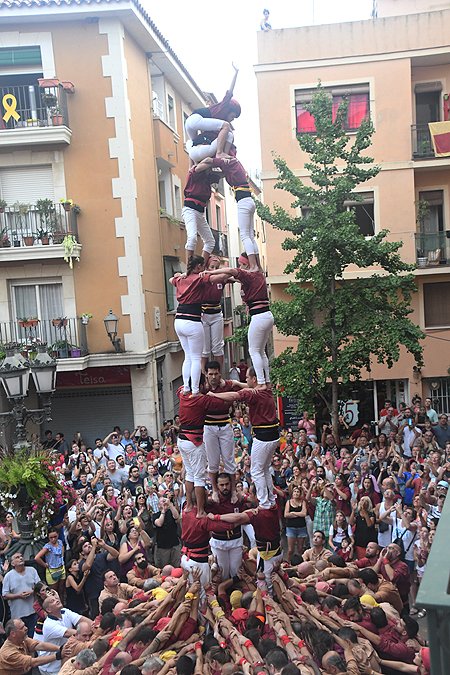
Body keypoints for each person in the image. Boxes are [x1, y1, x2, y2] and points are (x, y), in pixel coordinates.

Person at [208, 366, 279, 509]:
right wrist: (238, 384)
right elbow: (246, 387)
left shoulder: (254, 394)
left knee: (256, 471)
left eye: (247, 377)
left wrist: (214, 395)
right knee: (264, 469)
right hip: (273, 435)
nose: (245, 380)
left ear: (254, 379)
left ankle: (264, 502)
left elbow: (234, 396)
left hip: (263, 436)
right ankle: (270, 498)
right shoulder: (266, 388)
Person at [204, 254, 273, 384]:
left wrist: (208, 271)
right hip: (267, 315)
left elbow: (230, 271)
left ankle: (262, 382)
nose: (239, 266)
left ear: (247, 265)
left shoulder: (248, 275)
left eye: (241, 264)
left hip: (259, 317)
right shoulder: (259, 275)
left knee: (253, 351)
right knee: (261, 351)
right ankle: (267, 380)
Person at [196, 156, 259, 270]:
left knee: (245, 235)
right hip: (249, 201)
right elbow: (221, 172)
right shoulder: (237, 164)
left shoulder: (229, 162)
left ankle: (253, 265)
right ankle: (257, 266)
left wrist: (198, 163)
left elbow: (210, 160)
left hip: (243, 202)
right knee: (250, 235)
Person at [170, 255, 219, 395]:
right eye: (202, 266)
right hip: (192, 321)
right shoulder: (199, 278)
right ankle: (196, 390)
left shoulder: (180, 279)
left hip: (178, 321)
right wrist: (212, 273)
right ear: (198, 266)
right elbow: (217, 279)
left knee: (188, 356)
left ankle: (186, 387)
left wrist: (179, 275)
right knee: (196, 358)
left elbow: (171, 279)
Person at [203, 360, 247, 501]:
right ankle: (215, 490)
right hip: (209, 426)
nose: (214, 377)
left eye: (216, 373)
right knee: (213, 462)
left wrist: (239, 383)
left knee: (229, 461)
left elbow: (247, 387)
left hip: (225, 425)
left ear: (220, 373)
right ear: (206, 374)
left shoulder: (227, 385)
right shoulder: (202, 387)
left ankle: (233, 490)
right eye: (211, 374)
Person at [184, 64, 240, 163]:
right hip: (195, 119)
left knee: (195, 143)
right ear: (229, 110)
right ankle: (220, 153)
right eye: (232, 116)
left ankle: (193, 166)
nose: (232, 119)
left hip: (189, 123)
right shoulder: (224, 107)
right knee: (226, 126)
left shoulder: (215, 122)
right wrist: (236, 73)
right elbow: (230, 91)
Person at [182, 164, 217, 264]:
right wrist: (212, 161)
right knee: (192, 238)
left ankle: (201, 266)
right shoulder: (194, 171)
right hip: (190, 210)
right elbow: (204, 164)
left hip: (201, 212)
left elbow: (222, 173)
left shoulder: (208, 177)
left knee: (210, 241)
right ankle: (190, 268)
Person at [2, 552, 40, 636]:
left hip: (33, 611)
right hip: (18, 615)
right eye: (17, 557)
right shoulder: (8, 576)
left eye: (21, 556)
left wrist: (32, 591)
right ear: (12, 563)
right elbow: (5, 595)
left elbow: (40, 586)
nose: (20, 558)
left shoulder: (32, 570)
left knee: (34, 636)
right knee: (21, 637)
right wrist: (18, 596)